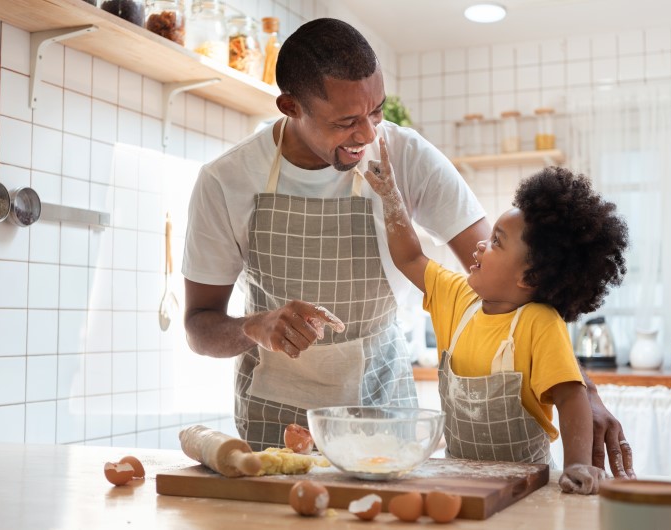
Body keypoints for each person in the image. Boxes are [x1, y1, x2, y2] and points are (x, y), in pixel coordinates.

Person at [181, 17, 635, 479]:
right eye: (346, 121)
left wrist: (582, 391)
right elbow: (199, 328)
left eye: (376, 112)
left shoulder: (407, 157)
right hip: (274, 422)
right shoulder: (226, 180)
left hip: (384, 418)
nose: (367, 135)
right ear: (290, 106)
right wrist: (256, 326)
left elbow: (518, 284)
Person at [363, 145, 628, 493]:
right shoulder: (457, 296)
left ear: (529, 277)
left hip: (526, 488)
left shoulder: (539, 323)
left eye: (496, 242)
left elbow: (570, 397)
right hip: (462, 481)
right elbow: (410, 258)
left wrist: (577, 465)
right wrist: (391, 198)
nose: (480, 245)